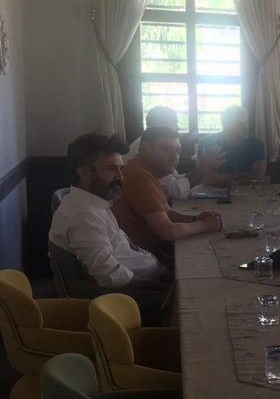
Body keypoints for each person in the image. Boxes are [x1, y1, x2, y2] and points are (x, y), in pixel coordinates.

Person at [49, 133, 167, 289]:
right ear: (84, 173)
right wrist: (160, 287)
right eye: (112, 169)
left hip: (152, 276)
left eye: (121, 169)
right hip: (136, 293)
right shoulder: (84, 216)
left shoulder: (94, 203)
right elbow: (110, 277)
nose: (120, 178)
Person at [113, 126, 223, 263]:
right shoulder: (139, 177)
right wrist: (205, 225)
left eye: (177, 150)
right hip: (142, 259)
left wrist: (195, 219)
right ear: (144, 150)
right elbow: (168, 232)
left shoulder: (148, 172)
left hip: (152, 251)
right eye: (165, 149)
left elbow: (168, 212)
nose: (174, 157)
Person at [124, 105, 222, 199]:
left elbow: (173, 179)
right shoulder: (146, 148)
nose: (178, 127)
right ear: (161, 124)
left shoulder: (150, 142)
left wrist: (203, 170)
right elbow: (175, 190)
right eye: (175, 122)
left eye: (177, 150)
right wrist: (202, 169)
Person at [196, 105, 267, 185]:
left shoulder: (257, 145)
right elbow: (205, 179)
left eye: (246, 123)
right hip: (211, 191)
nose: (246, 127)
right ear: (226, 125)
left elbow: (257, 177)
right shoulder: (208, 143)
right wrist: (237, 175)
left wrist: (221, 177)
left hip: (246, 191)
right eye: (240, 124)